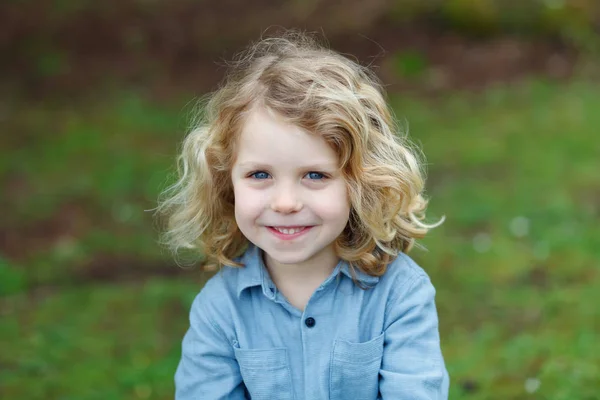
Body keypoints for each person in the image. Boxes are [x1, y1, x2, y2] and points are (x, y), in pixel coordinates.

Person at [157, 30, 449, 399]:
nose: (285, 202)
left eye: (315, 175)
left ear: (360, 183)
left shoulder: (399, 294)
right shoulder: (220, 309)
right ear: (226, 182)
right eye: (260, 175)